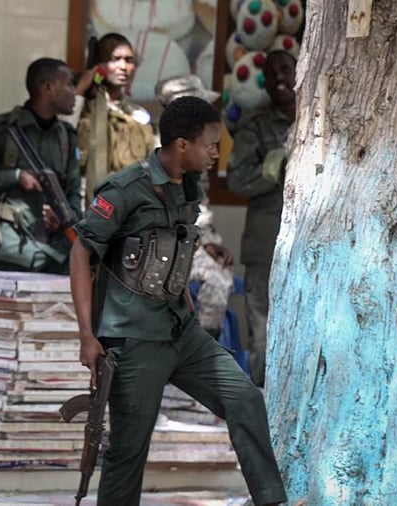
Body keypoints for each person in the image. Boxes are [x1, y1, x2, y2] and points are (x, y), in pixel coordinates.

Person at [70, 96, 287, 506]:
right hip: (133, 339)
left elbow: (177, 249)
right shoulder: (125, 189)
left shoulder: (188, 188)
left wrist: (181, 293)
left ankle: (271, 500)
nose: (216, 153)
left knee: (244, 398)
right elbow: (81, 252)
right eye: (210, 144)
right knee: (128, 451)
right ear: (182, 145)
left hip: (180, 331)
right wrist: (87, 335)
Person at [0, 57, 81, 274]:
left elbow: (73, 190)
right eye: (69, 84)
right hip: (13, 249)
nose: (74, 92)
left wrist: (64, 217)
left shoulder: (68, 137)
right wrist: (15, 176)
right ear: (49, 88)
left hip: (58, 251)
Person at [227, 51, 296, 387]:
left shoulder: (323, 116)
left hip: (316, 245)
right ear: (265, 82)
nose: (281, 77)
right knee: (264, 337)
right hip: (267, 246)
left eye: (287, 69)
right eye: (272, 73)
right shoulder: (254, 124)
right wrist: (274, 168)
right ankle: (263, 421)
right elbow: (236, 180)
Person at [155, 75, 235, 339]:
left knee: (219, 275)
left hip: (188, 238)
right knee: (209, 280)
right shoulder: (165, 149)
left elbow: (198, 203)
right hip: (160, 241)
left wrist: (208, 240)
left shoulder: (196, 149)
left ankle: (203, 348)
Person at [67, 33, 156, 209]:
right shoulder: (80, 106)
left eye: (129, 60)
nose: (123, 66)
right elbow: (62, 130)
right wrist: (80, 91)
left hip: (126, 207)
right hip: (84, 206)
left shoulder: (137, 115)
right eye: (115, 59)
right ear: (99, 64)